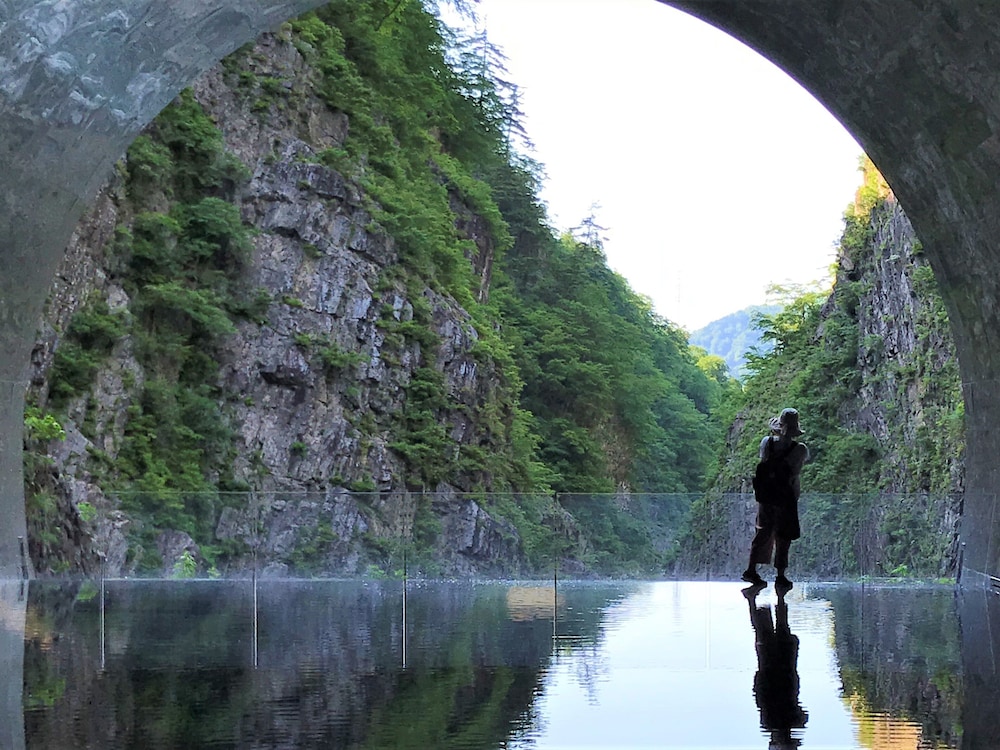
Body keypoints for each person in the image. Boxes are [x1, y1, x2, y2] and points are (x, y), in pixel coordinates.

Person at [742, 408, 809, 590]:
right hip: (787, 497)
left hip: (767, 496)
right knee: (784, 535)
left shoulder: (767, 443)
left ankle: (751, 569)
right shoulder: (800, 450)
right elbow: (795, 472)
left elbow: (763, 462)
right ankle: (781, 575)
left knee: (763, 532)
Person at [743, 584, 808, 749]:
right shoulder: (779, 722)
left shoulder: (791, 721)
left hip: (776, 669)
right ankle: (764, 597)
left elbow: (760, 694)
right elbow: (760, 694)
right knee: (773, 629)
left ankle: (760, 598)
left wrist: (760, 677)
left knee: (774, 629)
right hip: (779, 670)